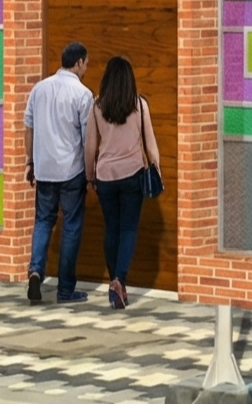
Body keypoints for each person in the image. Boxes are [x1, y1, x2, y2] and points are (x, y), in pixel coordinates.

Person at [83, 55, 161, 311]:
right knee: (128, 228)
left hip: (105, 176)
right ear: (129, 80)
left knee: (111, 228)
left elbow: (91, 146)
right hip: (132, 175)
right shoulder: (139, 104)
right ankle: (119, 279)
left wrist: (89, 176)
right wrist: (157, 169)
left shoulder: (97, 107)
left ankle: (116, 281)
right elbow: (151, 145)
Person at [22, 41, 93, 305]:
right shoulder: (83, 94)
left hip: (44, 169)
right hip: (71, 170)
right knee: (71, 227)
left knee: (43, 221)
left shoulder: (39, 89)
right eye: (86, 63)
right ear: (78, 63)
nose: (86, 68)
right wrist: (90, 172)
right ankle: (65, 289)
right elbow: (87, 138)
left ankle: (36, 269)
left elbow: (28, 127)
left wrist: (29, 162)